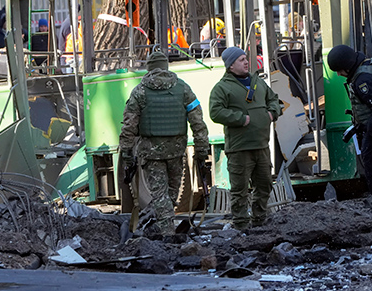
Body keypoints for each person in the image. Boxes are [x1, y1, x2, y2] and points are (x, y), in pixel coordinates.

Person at [119, 51, 209, 236]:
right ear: (167, 66)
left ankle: (167, 234)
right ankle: (167, 230)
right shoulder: (183, 89)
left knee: (160, 196)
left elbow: (129, 126)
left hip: (151, 154)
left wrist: (127, 153)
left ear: (149, 68)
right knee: (171, 194)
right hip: (176, 151)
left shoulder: (140, 92)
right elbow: (198, 122)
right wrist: (201, 149)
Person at [209, 46, 282, 231]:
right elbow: (215, 112)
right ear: (230, 66)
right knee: (239, 190)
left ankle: (260, 220)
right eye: (241, 60)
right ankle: (241, 224)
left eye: (245, 58)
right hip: (239, 148)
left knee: (264, 184)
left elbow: (273, 99)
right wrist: (240, 119)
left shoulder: (258, 83)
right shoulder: (222, 88)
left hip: (261, 145)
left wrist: (272, 113)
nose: (246, 62)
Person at [326, 44, 372, 212]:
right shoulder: (367, 65)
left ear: (347, 66)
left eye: (339, 70)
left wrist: (370, 134)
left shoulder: (362, 80)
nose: (338, 74)